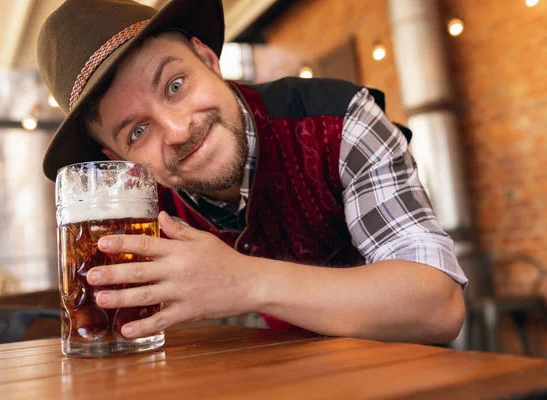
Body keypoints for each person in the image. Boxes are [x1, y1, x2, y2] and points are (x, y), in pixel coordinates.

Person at [38, 0, 467, 344]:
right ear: (116, 159)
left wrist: (243, 280)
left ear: (208, 58)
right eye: (137, 131)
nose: (177, 129)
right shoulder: (139, 209)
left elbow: (438, 306)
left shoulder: (340, 122)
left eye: (175, 85)